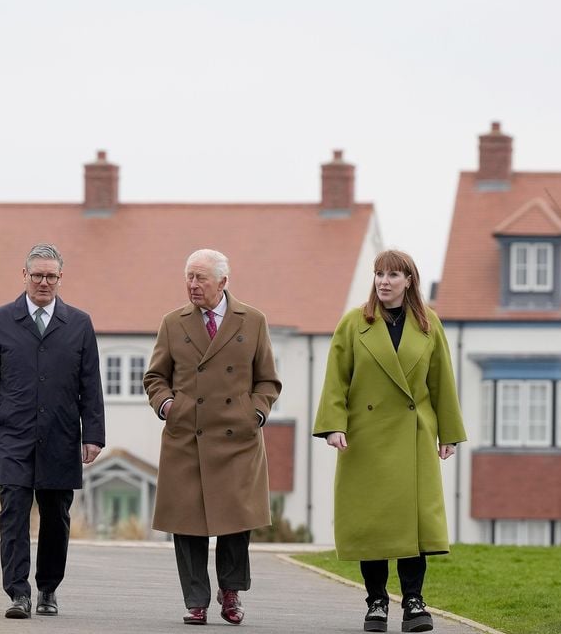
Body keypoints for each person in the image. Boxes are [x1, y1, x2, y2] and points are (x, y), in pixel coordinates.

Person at [313, 249, 467, 633]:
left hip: (414, 436)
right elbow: (336, 379)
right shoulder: (354, 323)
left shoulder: (428, 323)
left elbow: (442, 382)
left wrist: (448, 433)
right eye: (379, 274)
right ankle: (377, 601)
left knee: (415, 525)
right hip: (364, 438)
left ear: (409, 280)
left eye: (393, 275)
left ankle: (414, 601)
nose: (384, 281)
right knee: (372, 524)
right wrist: (334, 424)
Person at [143, 248, 281, 626]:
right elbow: (154, 377)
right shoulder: (173, 323)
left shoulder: (252, 320)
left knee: (236, 520)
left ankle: (231, 592)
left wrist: (255, 412)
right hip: (187, 434)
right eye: (188, 276)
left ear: (223, 282)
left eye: (200, 278)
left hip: (237, 436)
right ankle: (196, 599)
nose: (192, 284)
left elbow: (268, 379)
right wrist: (168, 405)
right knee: (186, 523)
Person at [0, 243, 105, 619]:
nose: (44, 282)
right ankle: (18, 593)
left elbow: (91, 385)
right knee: (13, 511)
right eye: (37, 275)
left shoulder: (79, 323)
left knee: (56, 516)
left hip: (61, 435)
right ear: (24, 275)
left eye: (51, 276)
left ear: (61, 278)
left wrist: (92, 435)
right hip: (13, 434)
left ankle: (47, 588)